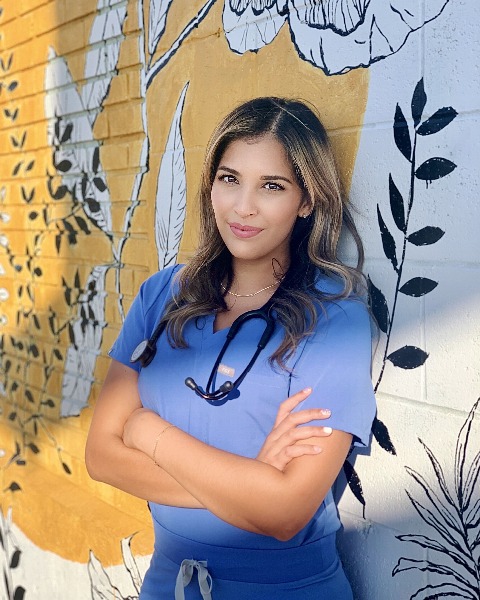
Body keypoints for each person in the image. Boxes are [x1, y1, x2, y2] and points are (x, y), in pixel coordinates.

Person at [85, 97, 376, 599]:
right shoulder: (162, 295)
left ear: (307, 201)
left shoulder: (334, 316)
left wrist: (147, 431)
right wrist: (249, 486)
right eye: (229, 179)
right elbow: (100, 456)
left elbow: (284, 512)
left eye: (272, 186)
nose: (243, 207)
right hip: (168, 585)